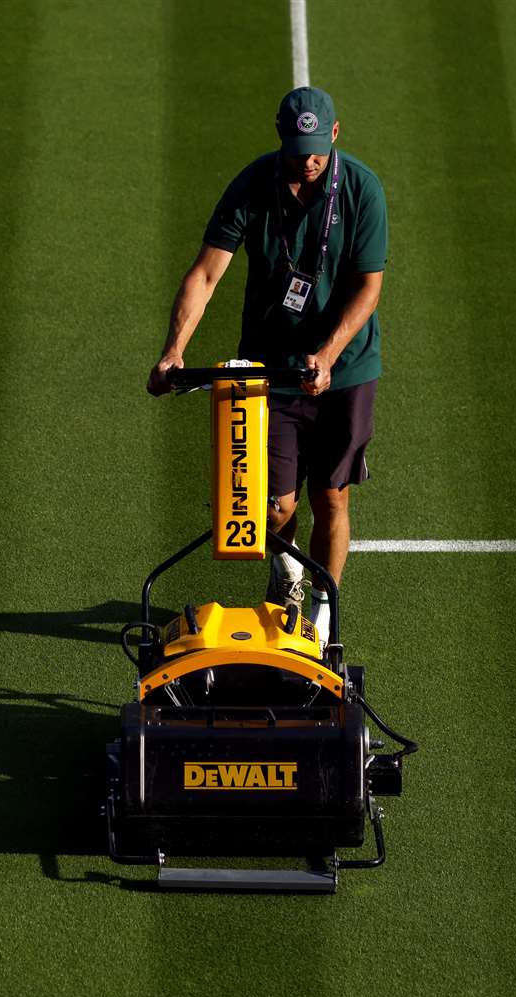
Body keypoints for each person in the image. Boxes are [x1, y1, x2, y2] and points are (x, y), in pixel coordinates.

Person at [146, 86, 388, 638]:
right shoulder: (254, 185)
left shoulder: (361, 191)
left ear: (334, 133)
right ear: (282, 138)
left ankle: (324, 614)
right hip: (269, 370)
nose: (309, 159)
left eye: (318, 147)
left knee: (330, 495)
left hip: (345, 370)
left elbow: (367, 289)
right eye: (298, 147)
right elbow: (206, 274)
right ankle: (288, 566)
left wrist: (326, 356)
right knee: (272, 508)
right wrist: (173, 351)